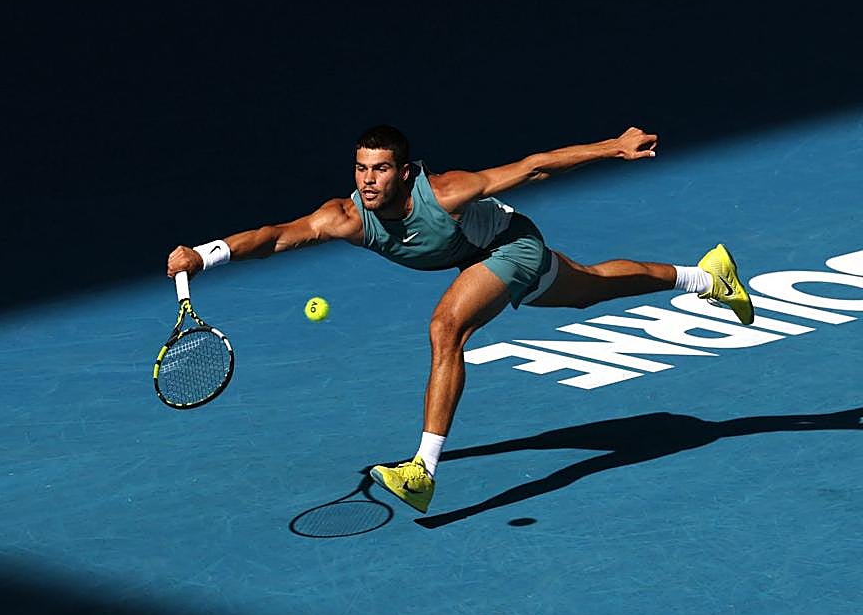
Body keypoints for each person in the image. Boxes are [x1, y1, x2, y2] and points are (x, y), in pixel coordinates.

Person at [165, 125, 754, 514]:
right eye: (361, 169)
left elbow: (535, 166)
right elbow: (273, 238)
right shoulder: (343, 215)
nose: (368, 180)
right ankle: (705, 277)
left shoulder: (446, 192)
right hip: (483, 256)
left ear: (405, 173)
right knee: (590, 289)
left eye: (380, 170)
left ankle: (423, 470)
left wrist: (612, 147)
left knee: (447, 326)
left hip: (509, 248)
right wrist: (206, 254)